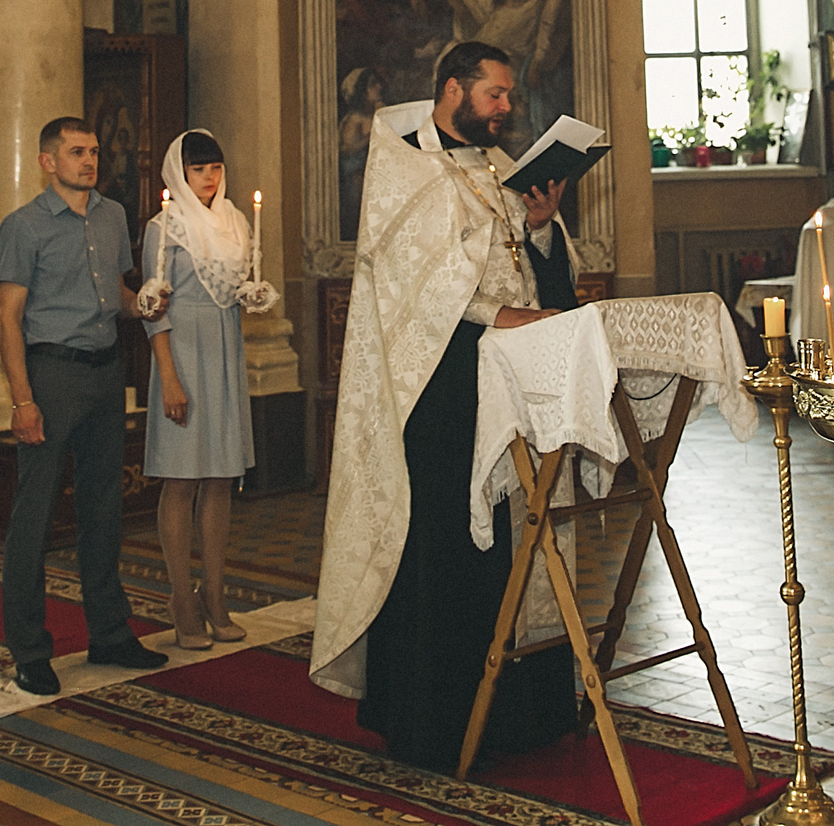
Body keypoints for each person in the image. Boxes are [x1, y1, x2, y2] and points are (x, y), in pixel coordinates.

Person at [311, 40, 579, 770]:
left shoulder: (497, 168)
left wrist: (542, 224)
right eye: (495, 94)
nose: (506, 107)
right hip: (441, 389)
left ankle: (520, 712)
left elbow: (522, 265)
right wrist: (499, 316)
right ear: (453, 89)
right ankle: (439, 716)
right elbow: (411, 284)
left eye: (508, 95)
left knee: (515, 536)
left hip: (512, 381)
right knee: (451, 549)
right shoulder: (403, 165)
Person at [0, 116, 167, 691]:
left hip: (104, 371)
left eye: (94, 151)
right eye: (76, 152)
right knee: (36, 516)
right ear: (48, 161)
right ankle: (29, 649)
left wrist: (141, 304)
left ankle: (110, 633)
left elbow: (115, 294)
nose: (90, 161)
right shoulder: (23, 227)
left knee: (104, 509)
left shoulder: (113, 216)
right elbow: (9, 318)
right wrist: (23, 399)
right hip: (52, 373)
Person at [140, 131, 256, 649]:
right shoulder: (163, 229)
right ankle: (180, 599)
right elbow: (152, 312)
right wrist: (168, 377)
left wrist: (253, 294)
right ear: (178, 175)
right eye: (197, 170)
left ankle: (215, 595)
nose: (209, 178)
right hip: (181, 353)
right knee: (181, 480)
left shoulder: (236, 223)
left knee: (219, 479)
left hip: (224, 350)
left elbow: (239, 288)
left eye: (215, 168)